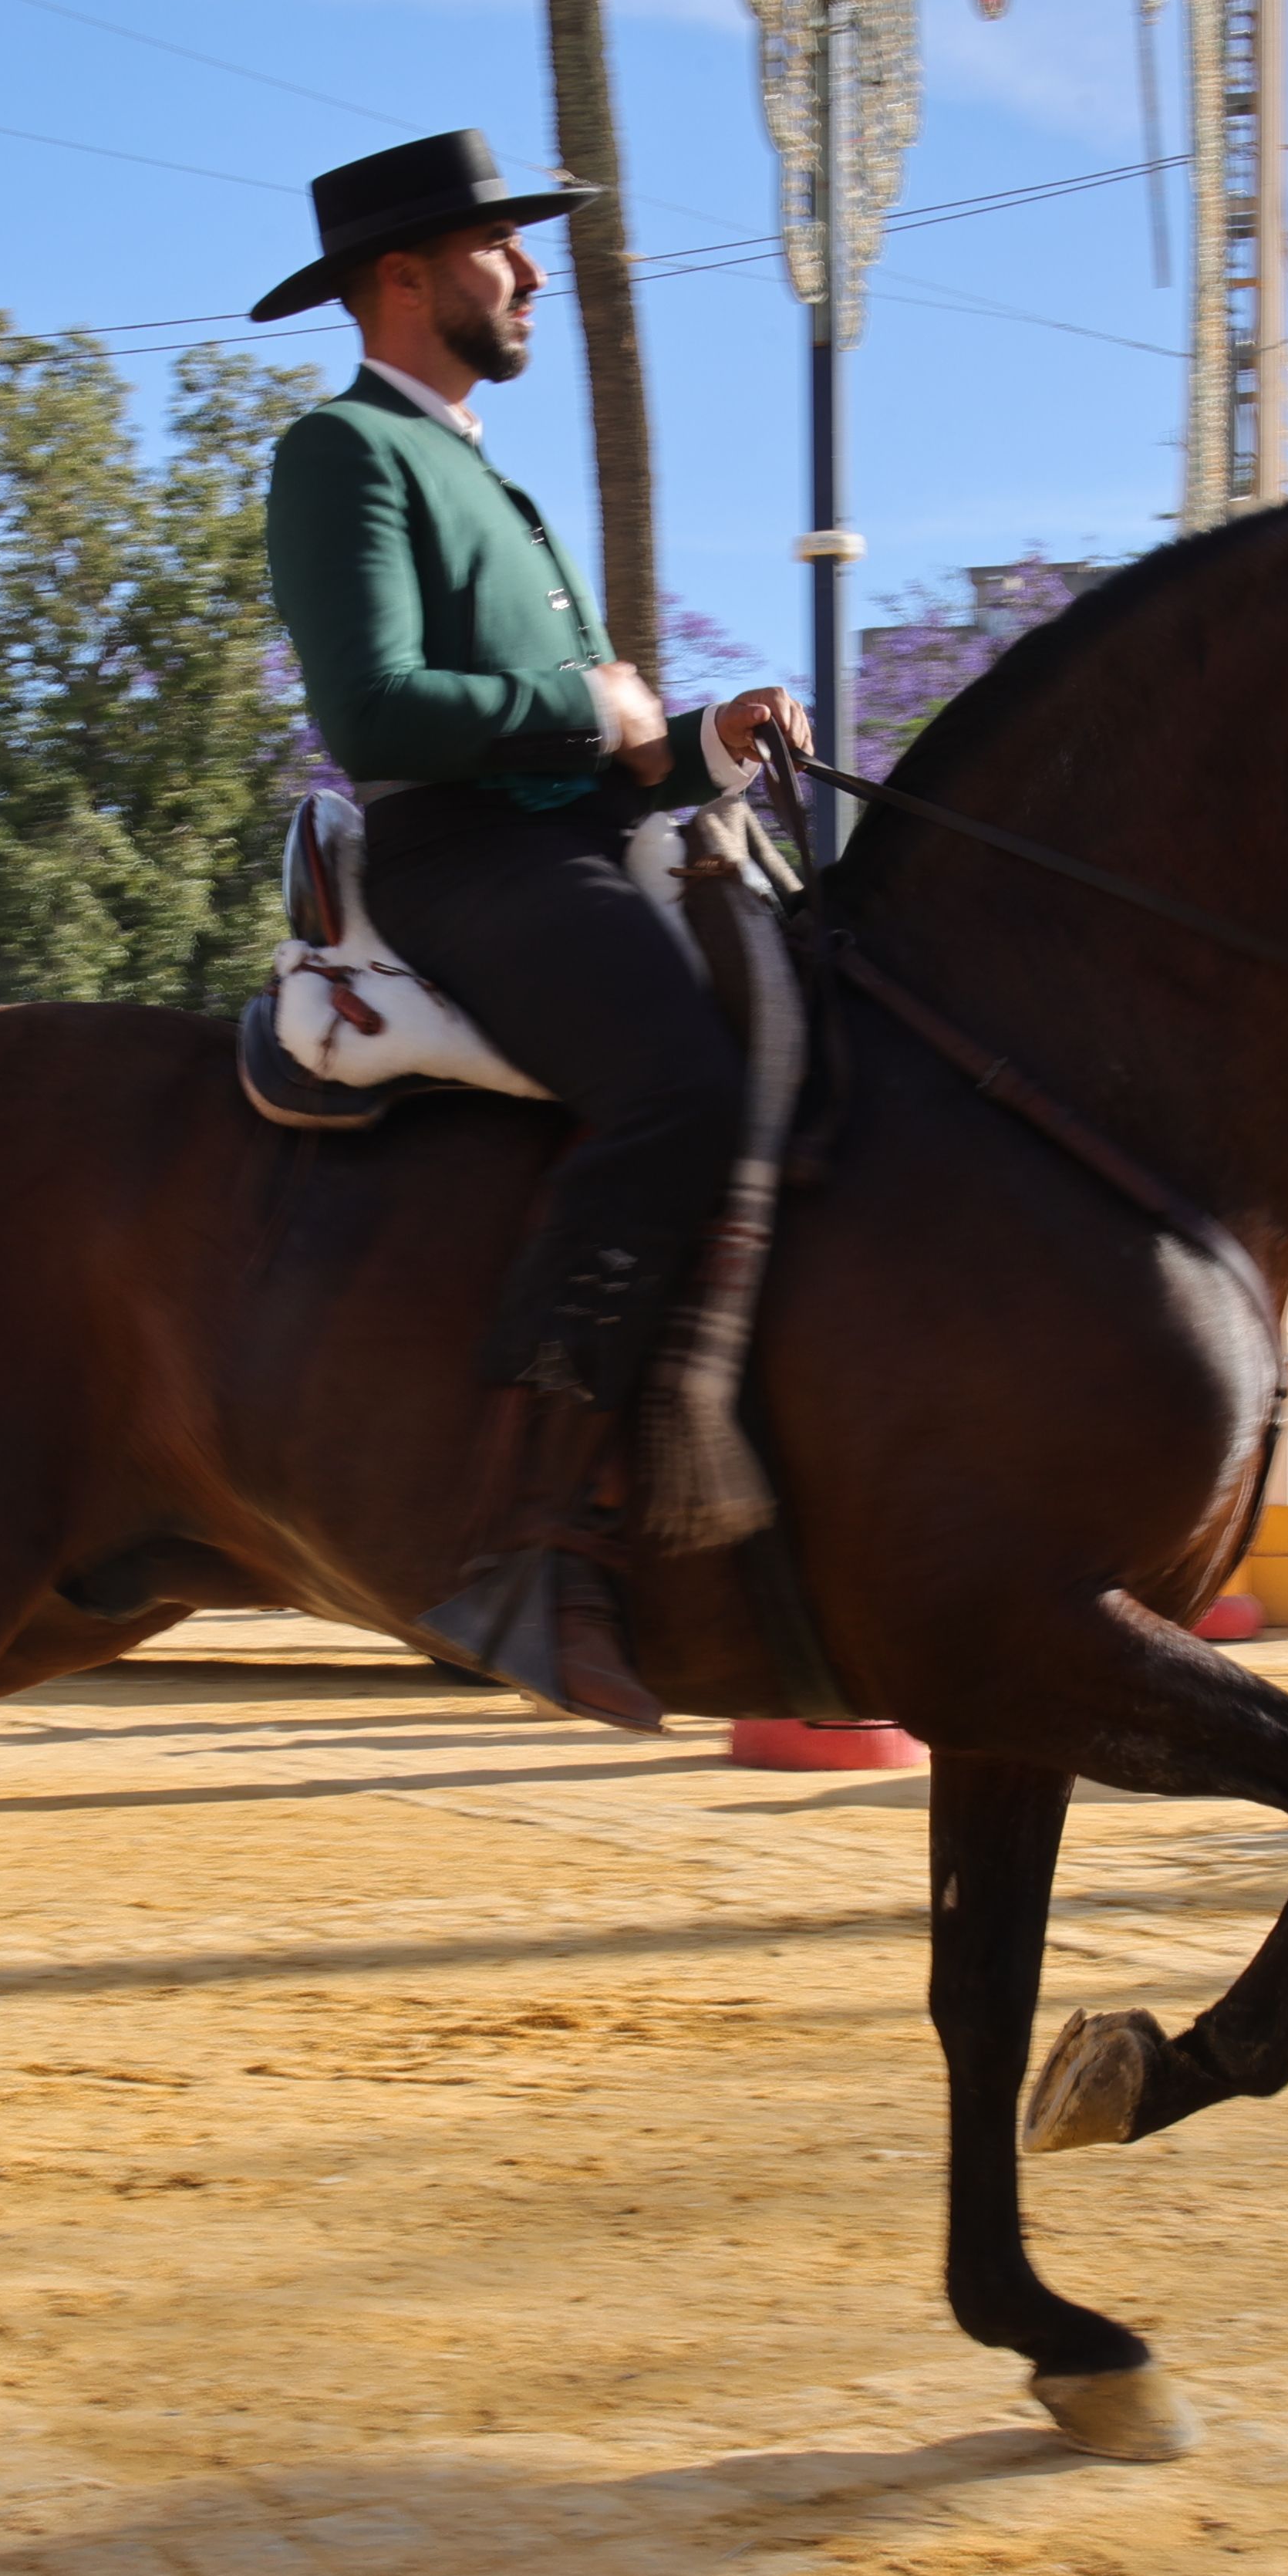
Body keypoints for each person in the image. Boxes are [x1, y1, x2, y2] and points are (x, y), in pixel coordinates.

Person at [256, 133, 809, 1727]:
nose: (533, 273)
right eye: (503, 247)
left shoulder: (480, 467)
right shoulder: (344, 450)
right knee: (683, 1084)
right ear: (404, 278)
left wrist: (707, 738)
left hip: (562, 842)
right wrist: (588, 701)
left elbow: (617, 753)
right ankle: (533, 1530)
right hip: (462, 866)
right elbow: (374, 713)